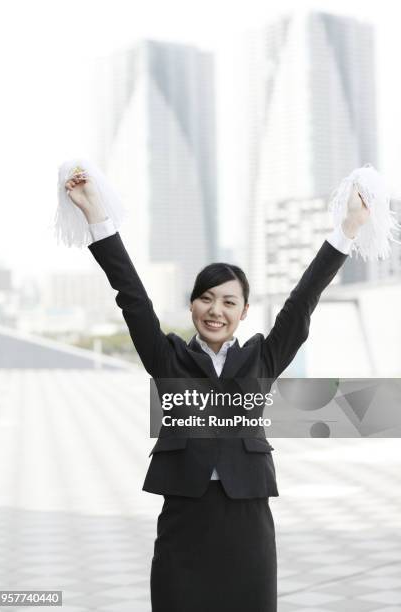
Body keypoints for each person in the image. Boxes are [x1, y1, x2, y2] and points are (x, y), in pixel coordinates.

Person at [64, 169, 370, 612]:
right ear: (192, 305)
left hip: (247, 524)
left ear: (244, 311)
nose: (216, 310)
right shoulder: (169, 359)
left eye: (229, 302)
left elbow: (303, 301)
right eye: (206, 298)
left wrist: (349, 229)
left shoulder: (262, 359)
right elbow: (131, 296)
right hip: (184, 521)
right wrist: (95, 212)